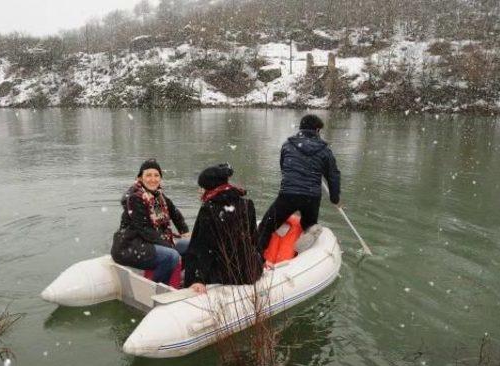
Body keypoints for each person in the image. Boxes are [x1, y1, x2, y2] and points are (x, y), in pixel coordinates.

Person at [257, 114, 341, 260]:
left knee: (267, 225)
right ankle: (309, 233)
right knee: (308, 223)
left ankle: (257, 255)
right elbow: (333, 175)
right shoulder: (324, 150)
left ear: (301, 128)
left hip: (288, 194)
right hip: (312, 196)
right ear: (317, 130)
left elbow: (284, 169)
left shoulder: (287, 145)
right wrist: (335, 198)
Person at [184, 164, 264, 294]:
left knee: (191, 254)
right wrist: (262, 260)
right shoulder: (247, 204)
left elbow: (203, 247)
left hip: (225, 275)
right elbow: (253, 237)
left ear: (209, 188)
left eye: (202, 188)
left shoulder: (208, 209)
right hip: (251, 271)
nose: (200, 191)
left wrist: (198, 278)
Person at [111, 159, 190, 284]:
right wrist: (169, 246)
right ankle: (157, 286)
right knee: (171, 256)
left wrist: (184, 230)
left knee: (189, 245)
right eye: (148, 175)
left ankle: (178, 279)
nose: (153, 179)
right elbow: (144, 230)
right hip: (130, 246)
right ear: (140, 178)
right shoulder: (134, 198)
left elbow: (174, 212)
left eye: (156, 175)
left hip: (150, 242)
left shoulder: (158, 196)